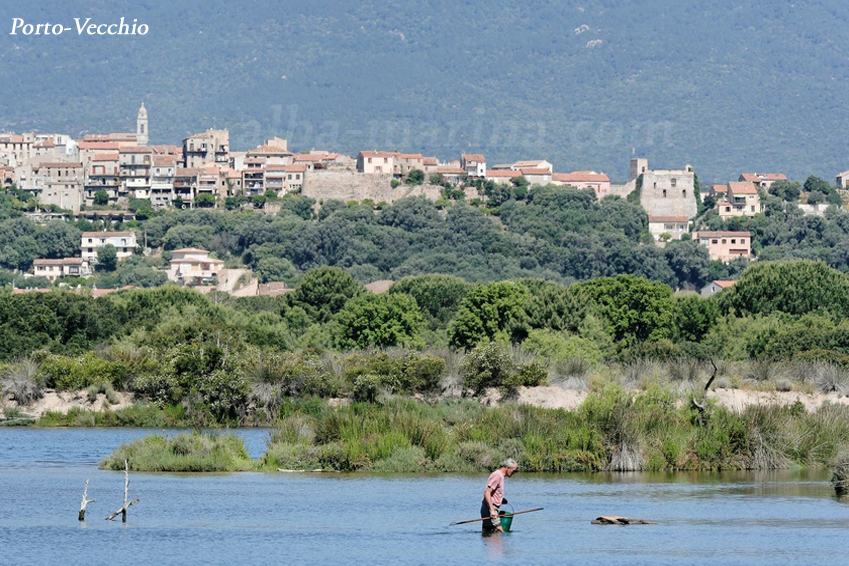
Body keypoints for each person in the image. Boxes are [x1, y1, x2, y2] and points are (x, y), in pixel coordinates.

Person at [480, 458, 518, 534]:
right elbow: (487, 493)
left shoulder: (500, 476)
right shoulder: (497, 475)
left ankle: (487, 546)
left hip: (489, 508)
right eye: (514, 471)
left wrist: (501, 499)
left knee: (488, 533)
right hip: (490, 508)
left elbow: (492, 493)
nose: (514, 473)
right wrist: (492, 510)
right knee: (500, 532)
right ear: (507, 468)